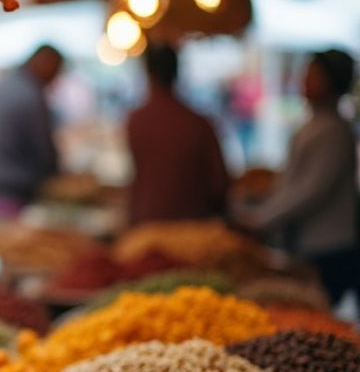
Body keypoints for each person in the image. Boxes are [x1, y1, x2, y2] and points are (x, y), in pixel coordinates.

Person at [239, 49, 358, 306]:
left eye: (314, 75)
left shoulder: (334, 131)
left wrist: (260, 219)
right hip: (310, 243)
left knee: (320, 312)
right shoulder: (315, 125)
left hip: (329, 246)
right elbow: (294, 184)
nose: (304, 80)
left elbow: (309, 190)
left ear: (333, 81)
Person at [126, 43, 230, 225]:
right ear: (177, 72)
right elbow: (220, 182)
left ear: (148, 74)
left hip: (146, 224)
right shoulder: (198, 123)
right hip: (192, 226)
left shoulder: (136, 121)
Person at [0, 45, 63, 217]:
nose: (54, 79)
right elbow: (44, 153)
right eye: (55, 72)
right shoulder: (30, 95)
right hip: (10, 198)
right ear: (46, 63)